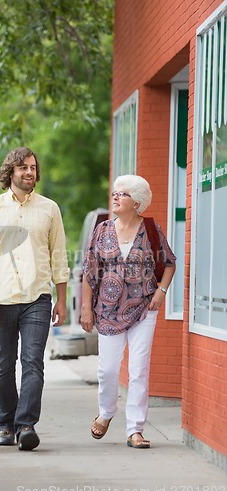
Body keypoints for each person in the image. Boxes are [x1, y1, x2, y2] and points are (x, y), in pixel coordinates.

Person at [0, 146, 69, 451]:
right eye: (23, 167)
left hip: (37, 297)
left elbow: (59, 256)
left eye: (33, 167)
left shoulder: (49, 208)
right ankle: (5, 425)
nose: (29, 172)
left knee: (33, 362)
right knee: (3, 364)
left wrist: (61, 300)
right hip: (0, 298)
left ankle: (26, 425)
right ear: (10, 172)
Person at [80, 174, 176, 449]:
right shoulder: (103, 230)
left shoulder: (151, 229)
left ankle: (135, 429)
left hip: (143, 309)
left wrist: (161, 291)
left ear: (137, 202)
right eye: (115, 193)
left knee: (138, 370)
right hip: (108, 311)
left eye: (121, 194)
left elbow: (169, 263)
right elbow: (89, 272)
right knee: (107, 370)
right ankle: (106, 412)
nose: (115, 197)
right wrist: (87, 308)